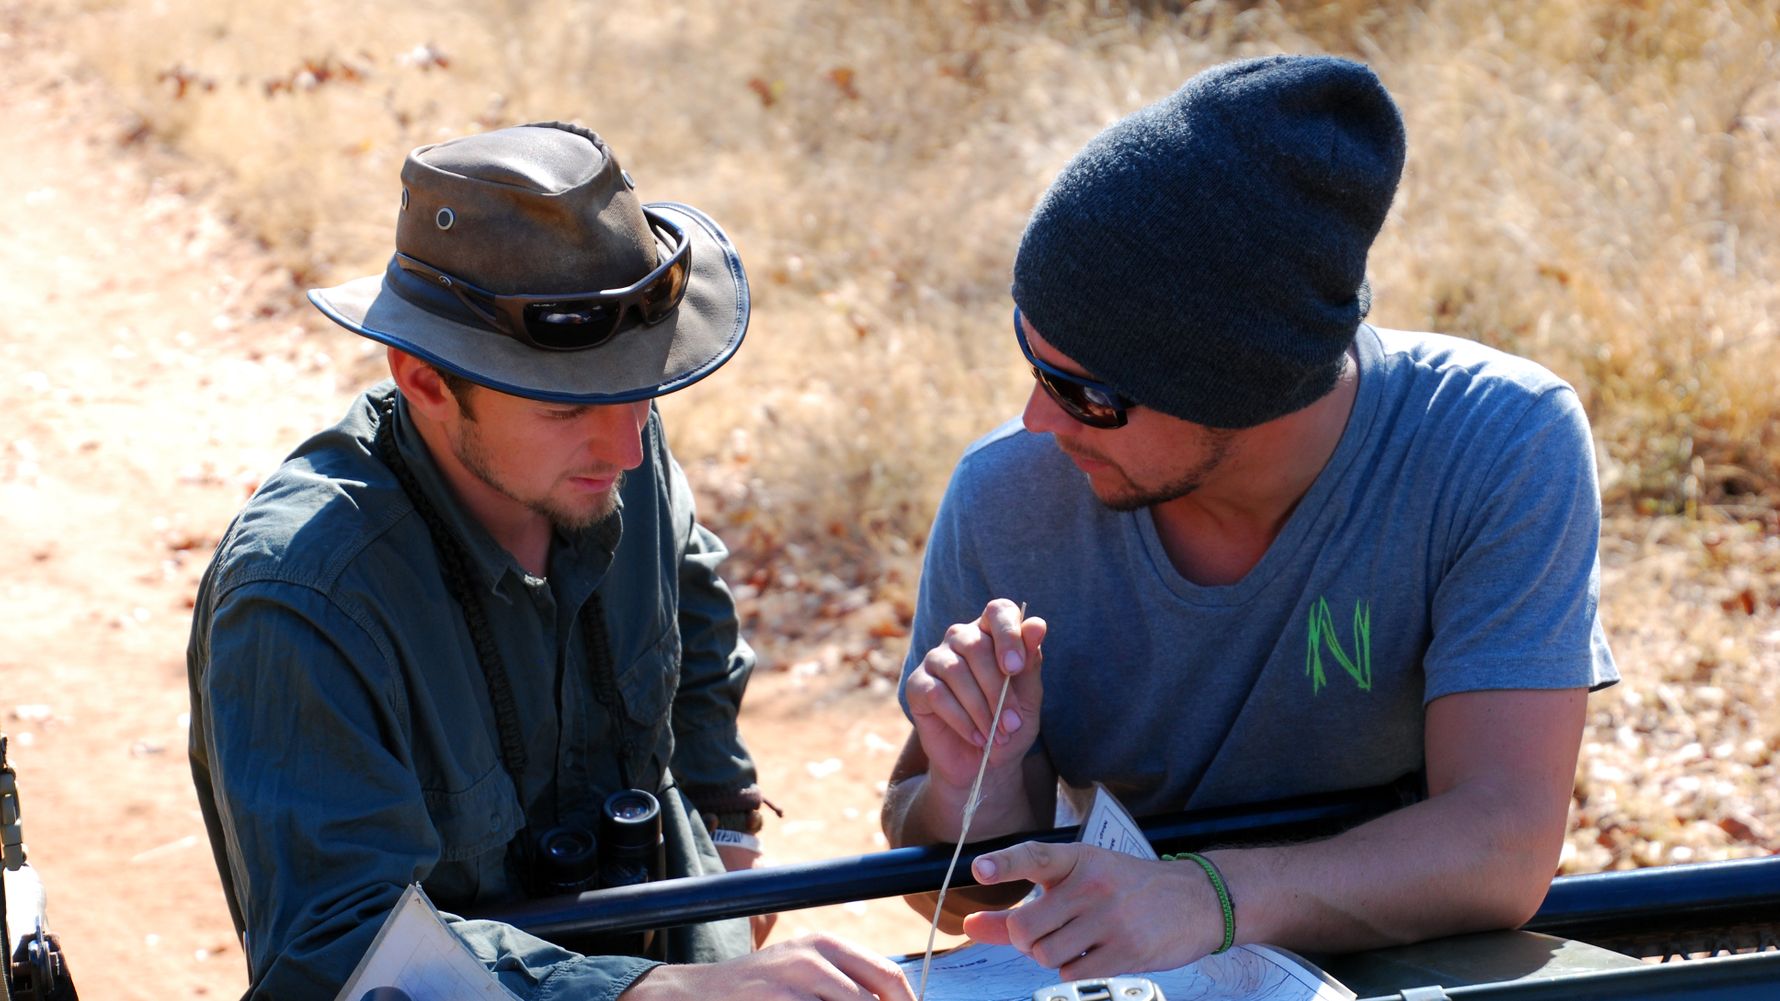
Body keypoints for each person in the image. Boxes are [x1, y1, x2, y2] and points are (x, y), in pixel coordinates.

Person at [881, 54, 1618, 979]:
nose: (1037, 419)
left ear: (1244, 382)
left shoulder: (1495, 442)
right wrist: (975, 792)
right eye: (1030, 359)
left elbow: (1502, 845)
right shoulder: (1006, 496)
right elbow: (952, 892)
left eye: (1083, 390)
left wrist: (1209, 898)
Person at [189, 122, 913, 1001]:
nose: (629, 447)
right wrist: (645, 993)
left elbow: (690, 586)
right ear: (422, 378)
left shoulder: (606, 441)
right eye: (568, 408)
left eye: (641, 386)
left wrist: (727, 822)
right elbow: (337, 949)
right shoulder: (302, 595)